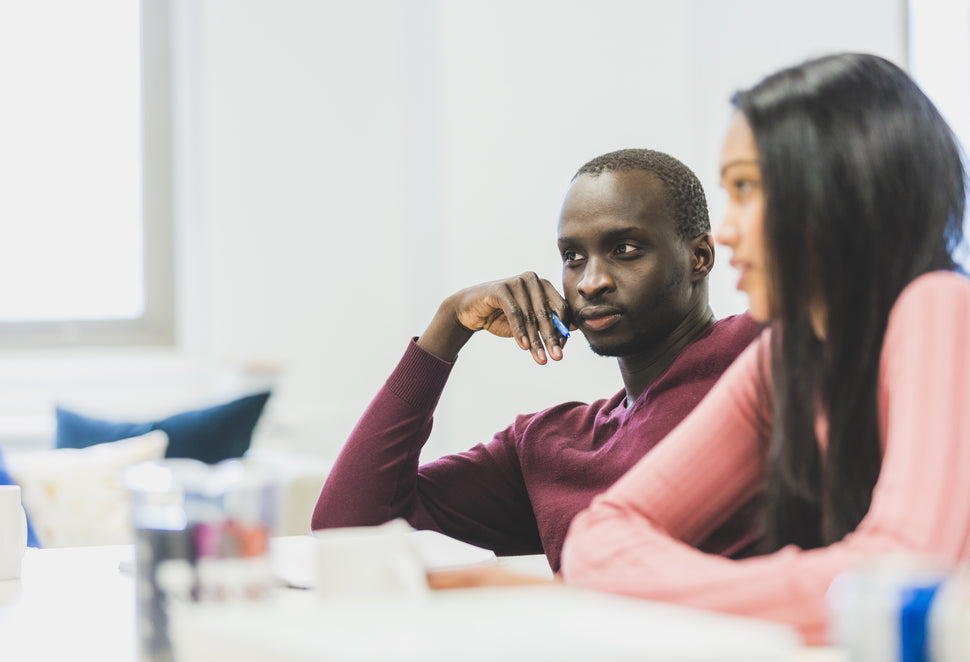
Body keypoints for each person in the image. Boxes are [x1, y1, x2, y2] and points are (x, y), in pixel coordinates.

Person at [560, 53, 970, 644]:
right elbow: (599, 534)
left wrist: (658, 588)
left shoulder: (942, 306)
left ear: (842, 187)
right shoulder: (786, 356)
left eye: (746, 188)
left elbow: (903, 572)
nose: (725, 231)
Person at [311, 149, 760, 572]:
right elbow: (348, 532)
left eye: (625, 249)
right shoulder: (551, 446)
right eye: (573, 257)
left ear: (699, 257)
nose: (591, 282)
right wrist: (447, 328)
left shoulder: (762, 350)